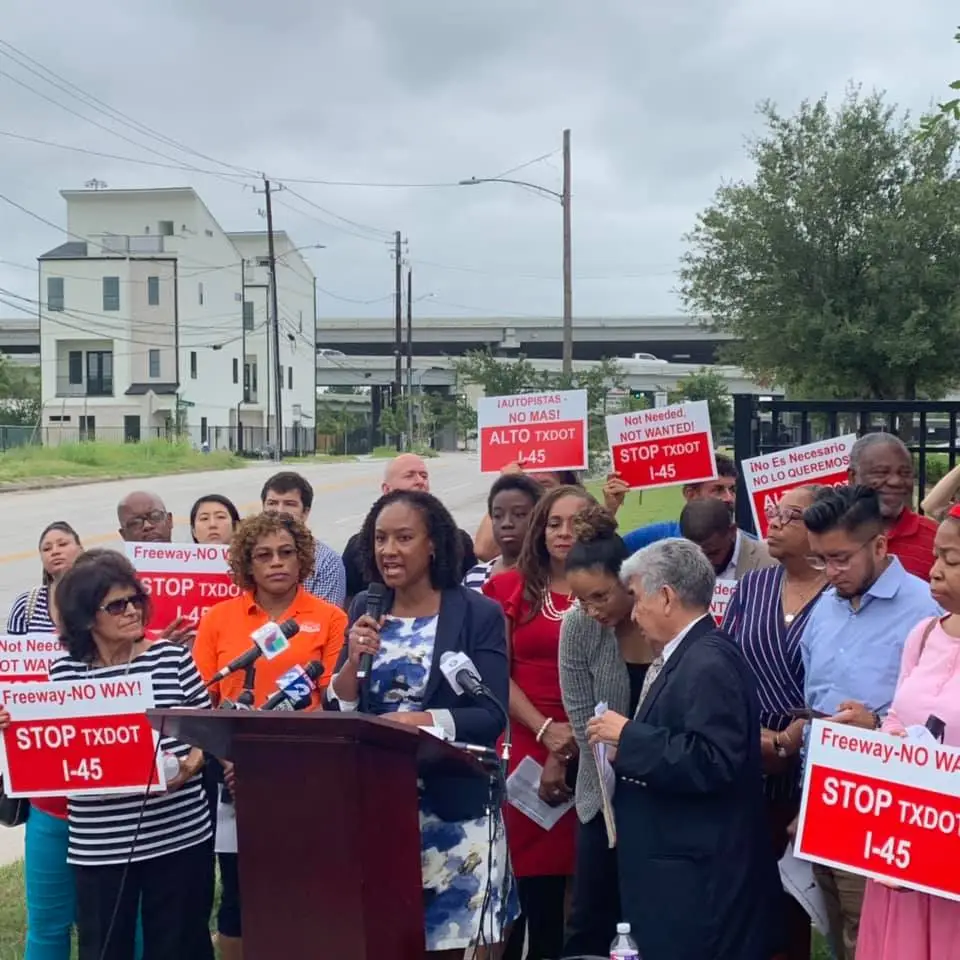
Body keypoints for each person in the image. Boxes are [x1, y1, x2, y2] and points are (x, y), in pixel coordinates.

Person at [324, 489, 513, 959]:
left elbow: (490, 714)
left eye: (404, 537)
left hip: (456, 812)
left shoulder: (477, 614)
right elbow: (342, 712)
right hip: (382, 813)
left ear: (433, 545)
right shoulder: (365, 611)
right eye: (380, 538)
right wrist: (351, 663)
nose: (389, 550)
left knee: (453, 944)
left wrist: (418, 721)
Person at [0, 552, 215, 960]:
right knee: (104, 946)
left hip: (179, 834)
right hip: (100, 844)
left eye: (135, 599)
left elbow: (207, 730)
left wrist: (194, 761)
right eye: (116, 605)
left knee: (180, 944)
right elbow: (49, 749)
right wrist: (15, 726)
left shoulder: (171, 658)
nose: (132, 610)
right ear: (85, 618)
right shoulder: (62, 675)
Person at [585, 538, 779, 960]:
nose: (634, 614)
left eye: (637, 599)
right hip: (676, 872)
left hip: (700, 884)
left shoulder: (708, 661)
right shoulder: (687, 654)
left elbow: (713, 761)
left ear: (667, 597)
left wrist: (630, 737)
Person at [192, 512, 347, 960]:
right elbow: (204, 697)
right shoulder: (219, 618)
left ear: (302, 560)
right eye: (263, 555)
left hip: (308, 775)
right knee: (240, 897)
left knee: (308, 893)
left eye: (286, 553)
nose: (276, 563)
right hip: (234, 776)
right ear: (247, 565)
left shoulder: (330, 618)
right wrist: (231, 760)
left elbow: (334, 700)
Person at [800, 485, 940, 959]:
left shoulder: (928, 614)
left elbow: (934, 722)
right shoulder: (825, 606)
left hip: (883, 812)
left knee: (874, 938)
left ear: (879, 546)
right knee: (835, 932)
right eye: (820, 560)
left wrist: (876, 725)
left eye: (840, 558)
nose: (830, 572)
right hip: (821, 798)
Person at [483, 484, 592, 960]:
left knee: (582, 891)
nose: (564, 533)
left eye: (577, 523)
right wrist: (546, 732)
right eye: (554, 523)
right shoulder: (506, 588)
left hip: (590, 744)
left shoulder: (616, 587)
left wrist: (569, 744)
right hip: (523, 744)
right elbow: (494, 673)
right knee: (525, 891)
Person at [721, 486, 827, 960]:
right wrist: (756, 735)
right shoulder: (753, 586)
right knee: (740, 893)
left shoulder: (840, 596)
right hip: (746, 757)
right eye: (774, 512)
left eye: (793, 515)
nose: (777, 522)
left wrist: (791, 740)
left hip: (808, 771)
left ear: (823, 529)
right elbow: (724, 662)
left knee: (792, 904)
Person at [857, 503, 960, 959]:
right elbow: (899, 716)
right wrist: (890, 740)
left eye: (952, 561)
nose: (934, 572)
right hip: (905, 850)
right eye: (936, 556)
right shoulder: (923, 634)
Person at [558, 503, 654, 957]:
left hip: (660, 787)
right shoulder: (578, 627)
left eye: (601, 597)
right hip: (602, 789)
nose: (592, 609)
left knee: (648, 913)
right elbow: (581, 715)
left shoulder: (657, 618)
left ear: (628, 583)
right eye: (582, 600)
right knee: (591, 915)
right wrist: (614, 757)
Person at [5, 522, 82, 960]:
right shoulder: (25, 609)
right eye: (46, 547)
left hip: (117, 811)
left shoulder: (143, 654)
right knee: (49, 924)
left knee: (118, 921)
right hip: (48, 804)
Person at [341, 454, 478, 601]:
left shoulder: (457, 542)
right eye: (409, 476)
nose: (420, 481)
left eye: (424, 476)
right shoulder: (358, 547)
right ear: (387, 489)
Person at [847, 433, 938, 581]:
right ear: (852, 477)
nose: (895, 481)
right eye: (881, 472)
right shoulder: (825, 534)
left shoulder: (936, 539)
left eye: (905, 473)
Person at [621, 453, 745, 553]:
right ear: (690, 495)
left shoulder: (751, 550)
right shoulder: (656, 538)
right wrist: (611, 508)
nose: (729, 498)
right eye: (718, 490)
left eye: (732, 490)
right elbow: (605, 558)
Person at [260, 471, 346, 607]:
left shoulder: (326, 562)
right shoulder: (249, 554)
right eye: (272, 503)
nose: (279, 511)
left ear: (305, 512)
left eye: (289, 504)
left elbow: (325, 621)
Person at [464, 473, 543, 591]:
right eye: (498, 516)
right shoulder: (473, 578)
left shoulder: (553, 578)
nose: (506, 523)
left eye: (519, 514)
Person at [680, 497, 775, 579]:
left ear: (732, 531)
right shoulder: (676, 567)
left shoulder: (772, 562)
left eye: (713, 553)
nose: (705, 561)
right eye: (696, 554)